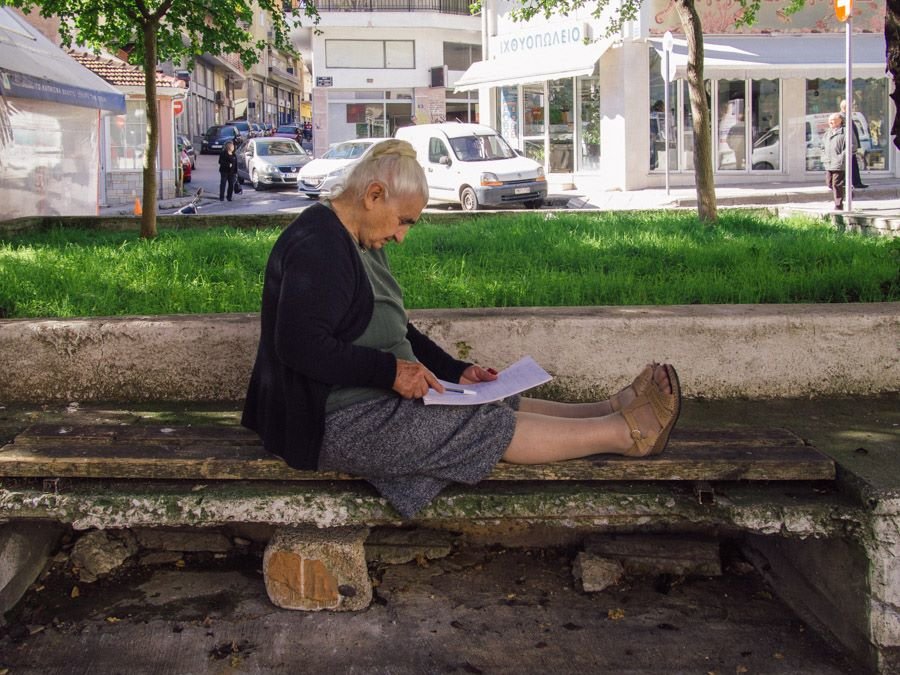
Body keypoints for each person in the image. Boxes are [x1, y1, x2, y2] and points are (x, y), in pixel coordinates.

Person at [241, 139, 681, 518]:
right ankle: (627, 435)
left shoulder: (356, 235)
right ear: (373, 195)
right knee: (481, 425)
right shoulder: (319, 247)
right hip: (331, 423)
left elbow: (393, 327)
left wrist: (453, 370)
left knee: (490, 397)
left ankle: (606, 410)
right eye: (404, 221)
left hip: (359, 403)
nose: (401, 237)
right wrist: (391, 373)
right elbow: (298, 345)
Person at [840, 99, 868, 189]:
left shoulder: (848, 117)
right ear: (845, 107)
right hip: (846, 147)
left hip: (851, 146)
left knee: (853, 165)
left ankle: (856, 182)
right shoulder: (841, 118)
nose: (853, 108)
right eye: (852, 106)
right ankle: (849, 182)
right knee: (848, 166)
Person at [822, 112, 847, 210]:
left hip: (838, 162)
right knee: (829, 183)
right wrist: (823, 156)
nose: (830, 122)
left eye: (832, 120)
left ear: (840, 120)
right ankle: (845, 192)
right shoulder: (828, 133)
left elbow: (852, 146)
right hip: (829, 162)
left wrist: (841, 157)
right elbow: (822, 146)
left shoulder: (845, 132)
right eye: (829, 120)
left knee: (836, 183)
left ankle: (838, 205)